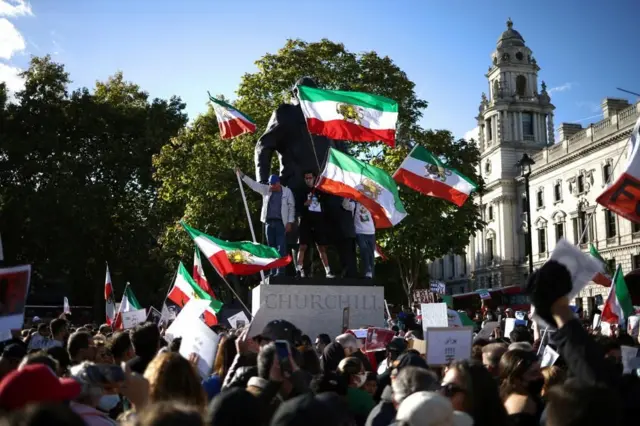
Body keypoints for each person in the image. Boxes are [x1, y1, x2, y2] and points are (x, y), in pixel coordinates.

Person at [236, 167, 295, 276]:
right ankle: (273, 270)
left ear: (278, 183)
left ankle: (280, 271)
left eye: (273, 184)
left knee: (281, 247)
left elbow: (291, 207)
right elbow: (254, 185)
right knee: (270, 248)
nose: (271, 186)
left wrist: (290, 222)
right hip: (269, 223)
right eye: (270, 184)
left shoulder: (287, 192)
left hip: (281, 223)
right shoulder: (266, 189)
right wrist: (242, 175)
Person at [296, 171, 334, 278]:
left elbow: (326, 204)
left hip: (318, 222)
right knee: (302, 246)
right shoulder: (301, 191)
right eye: (306, 178)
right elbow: (297, 207)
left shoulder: (319, 190)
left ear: (314, 178)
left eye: (310, 178)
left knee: (321, 247)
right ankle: (298, 270)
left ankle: (328, 271)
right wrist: (304, 204)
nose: (308, 180)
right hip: (305, 221)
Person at [343, 199, 376, 278]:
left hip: (371, 231)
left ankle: (372, 274)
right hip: (360, 232)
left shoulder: (369, 202)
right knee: (364, 250)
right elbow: (345, 205)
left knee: (371, 254)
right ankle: (366, 272)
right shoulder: (354, 204)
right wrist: (347, 196)